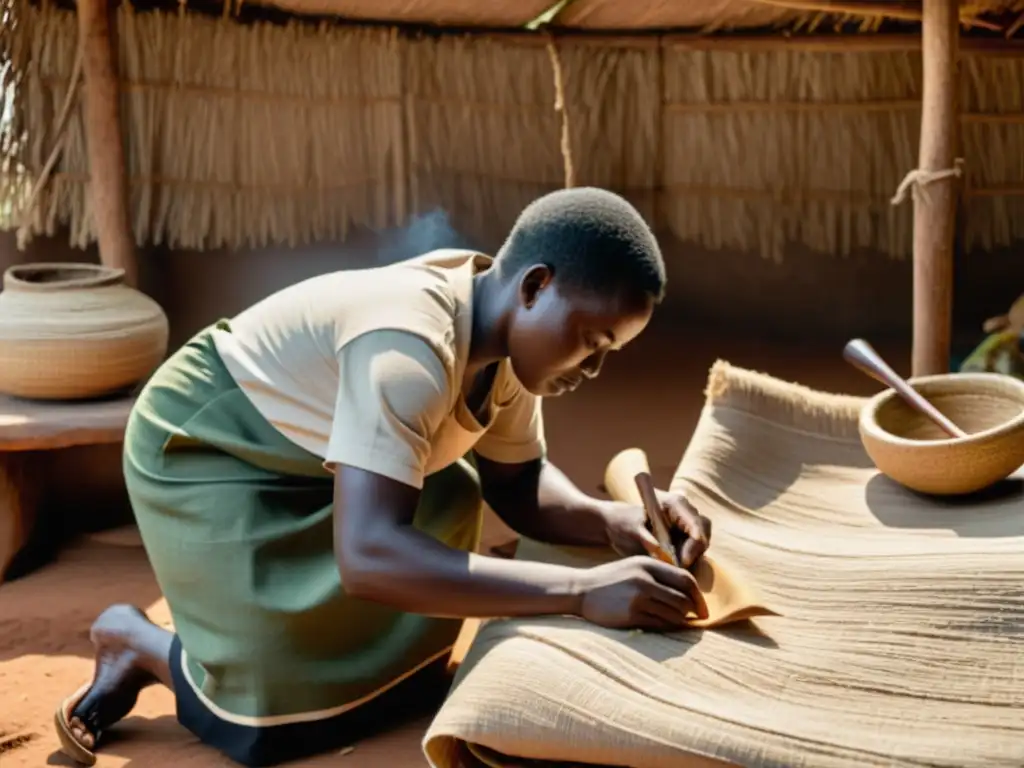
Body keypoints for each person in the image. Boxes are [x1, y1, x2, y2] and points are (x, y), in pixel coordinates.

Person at [55, 187, 713, 767]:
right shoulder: (408, 348)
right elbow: (369, 556)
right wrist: (578, 589)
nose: (593, 368)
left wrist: (614, 520)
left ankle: (286, 646)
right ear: (535, 286)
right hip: (212, 449)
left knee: (451, 507)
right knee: (259, 724)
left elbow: (520, 484)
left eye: (609, 353)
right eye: (592, 340)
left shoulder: (507, 347)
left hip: (314, 459)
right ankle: (138, 642)